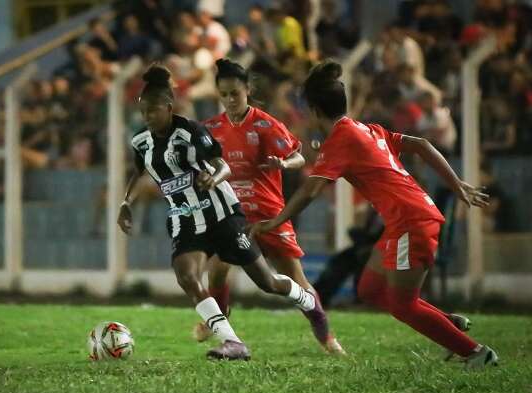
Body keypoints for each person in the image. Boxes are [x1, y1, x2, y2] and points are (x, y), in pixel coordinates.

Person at [250, 60, 498, 369]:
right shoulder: (366, 129)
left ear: (313, 110)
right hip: (404, 220)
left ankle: (476, 353)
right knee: (368, 288)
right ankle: (445, 324)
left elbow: (310, 190)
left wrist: (275, 221)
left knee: (403, 306)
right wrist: (456, 182)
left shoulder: (341, 140)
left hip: (411, 220)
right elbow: (421, 144)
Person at [118, 65, 327, 360]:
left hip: (222, 216)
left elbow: (223, 165)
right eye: (143, 113)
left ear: (167, 107)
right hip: (185, 219)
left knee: (268, 282)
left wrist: (213, 178)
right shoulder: (141, 141)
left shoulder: (192, 131)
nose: (147, 118)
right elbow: (138, 172)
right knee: (188, 276)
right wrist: (126, 203)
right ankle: (232, 341)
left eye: (152, 111)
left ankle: (307, 301)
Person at [193, 58, 344, 354]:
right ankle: (220, 326)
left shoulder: (266, 124)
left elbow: (300, 157)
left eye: (234, 93)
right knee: (218, 270)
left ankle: (326, 336)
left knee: (296, 279)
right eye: (223, 95)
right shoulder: (210, 128)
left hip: (269, 212)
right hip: (233, 215)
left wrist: (283, 163)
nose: (229, 100)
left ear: (247, 89)